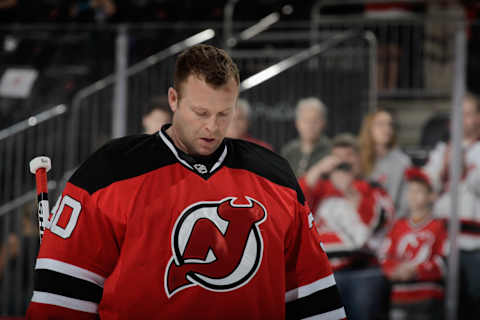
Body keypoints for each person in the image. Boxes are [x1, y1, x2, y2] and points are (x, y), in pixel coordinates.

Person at [26, 44, 345, 320]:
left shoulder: (275, 177)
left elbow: (314, 297)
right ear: (174, 99)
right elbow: (60, 300)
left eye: (224, 113)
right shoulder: (110, 171)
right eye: (201, 112)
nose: (212, 127)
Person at [299, 133, 394, 320]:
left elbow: (379, 223)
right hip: (324, 275)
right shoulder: (320, 189)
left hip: (362, 273)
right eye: (337, 157)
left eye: (349, 155)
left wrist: (350, 193)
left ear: (359, 159)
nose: (343, 161)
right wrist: (318, 169)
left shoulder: (371, 188)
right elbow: (295, 203)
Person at [425, 92, 480, 320]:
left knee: (474, 300)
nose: (463, 119)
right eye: (459, 114)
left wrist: (465, 166)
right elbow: (427, 187)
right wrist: (443, 168)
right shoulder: (441, 150)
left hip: (475, 242)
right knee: (446, 303)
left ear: (478, 117)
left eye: (468, 114)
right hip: (445, 240)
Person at [381, 167, 447, 320]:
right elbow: (386, 256)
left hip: (428, 295)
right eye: (410, 191)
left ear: (432, 196)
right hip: (400, 295)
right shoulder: (398, 226)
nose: (412, 196)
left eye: (418, 191)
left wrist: (416, 270)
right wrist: (394, 271)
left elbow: (443, 261)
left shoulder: (439, 226)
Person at [358, 109, 411, 217]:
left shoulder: (403, 162)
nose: (387, 129)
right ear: (369, 128)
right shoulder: (357, 157)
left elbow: (405, 204)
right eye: (380, 124)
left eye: (390, 125)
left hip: (391, 223)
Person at [281, 97, 331, 177]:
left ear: (323, 123)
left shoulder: (331, 151)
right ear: (297, 123)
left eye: (315, 121)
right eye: (305, 120)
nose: (310, 126)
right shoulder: (288, 151)